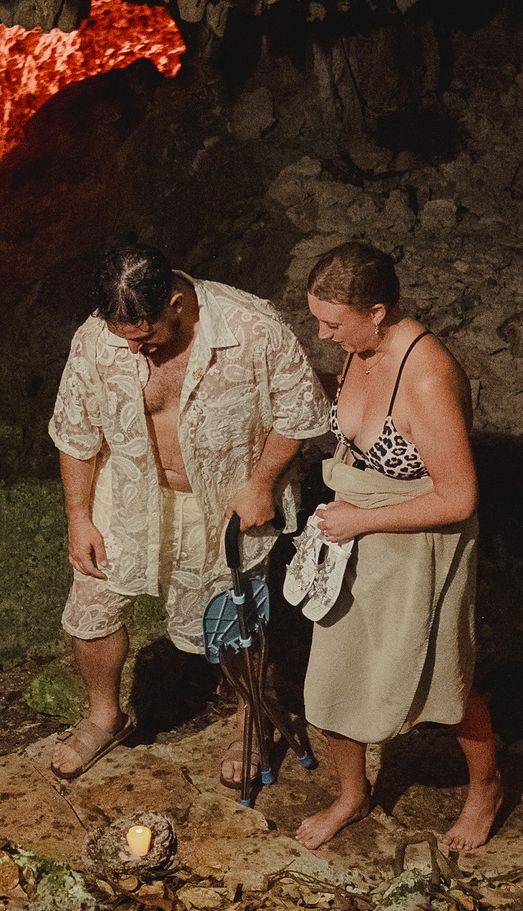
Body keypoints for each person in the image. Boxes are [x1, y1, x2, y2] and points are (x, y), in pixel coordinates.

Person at [46, 241, 333, 780]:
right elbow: (75, 433)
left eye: (146, 336)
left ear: (177, 302)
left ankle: (251, 718)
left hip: (225, 499)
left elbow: (300, 412)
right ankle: (105, 718)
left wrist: (261, 482)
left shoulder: (253, 329)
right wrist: (78, 517)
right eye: (123, 338)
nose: (135, 351)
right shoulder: (96, 341)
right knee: (90, 613)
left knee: (234, 623)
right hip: (128, 494)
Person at [296, 241, 498, 854]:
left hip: (418, 540)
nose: (324, 333)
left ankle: (485, 787)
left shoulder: (428, 374)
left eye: (333, 323)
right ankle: (352, 795)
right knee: (334, 673)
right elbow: (354, 417)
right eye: (317, 320)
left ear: (378, 310)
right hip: (353, 526)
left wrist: (364, 520)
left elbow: (459, 497)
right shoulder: (362, 348)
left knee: (444, 680)